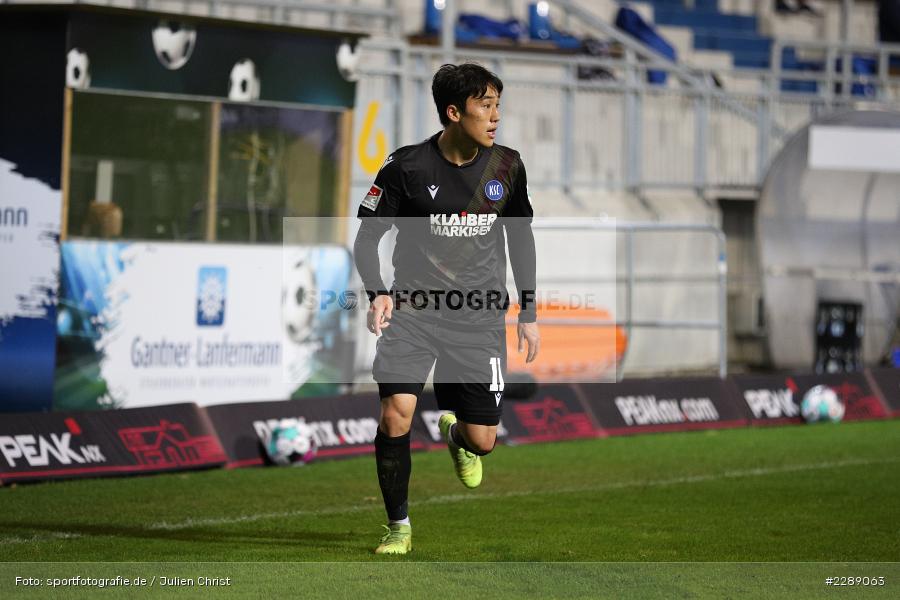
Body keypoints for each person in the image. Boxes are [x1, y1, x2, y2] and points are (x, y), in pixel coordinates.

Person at [353, 63, 540, 555]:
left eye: (498, 105)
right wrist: (379, 293)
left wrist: (529, 311)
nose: (496, 116)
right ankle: (399, 527)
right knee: (395, 415)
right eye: (486, 106)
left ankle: (455, 434)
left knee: (484, 440)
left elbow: (522, 241)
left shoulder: (507, 167)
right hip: (413, 315)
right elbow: (366, 240)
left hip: (478, 319)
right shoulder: (405, 168)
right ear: (454, 113)